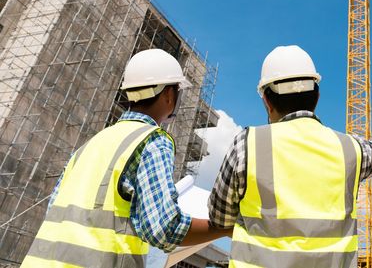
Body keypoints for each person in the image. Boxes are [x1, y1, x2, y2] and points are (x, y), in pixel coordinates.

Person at [22, 49, 230, 268]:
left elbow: (53, 212)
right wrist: (225, 228)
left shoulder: (91, 144)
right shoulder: (153, 141)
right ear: (169, 94)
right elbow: (163, 228)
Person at [208, 45, 372, 267]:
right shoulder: (350, 149)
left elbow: (219, 218)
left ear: (266, 100)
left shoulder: (247, 144)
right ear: (317, 96)